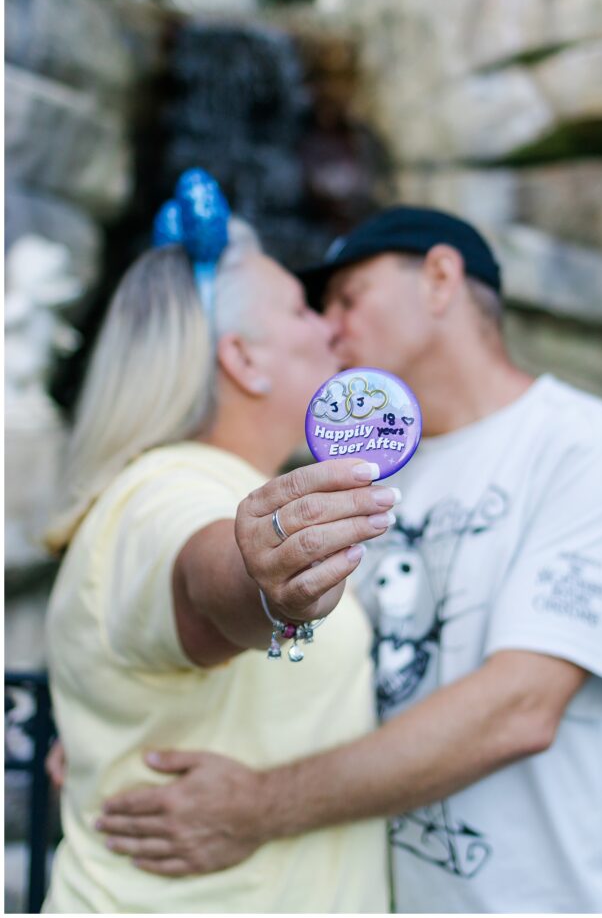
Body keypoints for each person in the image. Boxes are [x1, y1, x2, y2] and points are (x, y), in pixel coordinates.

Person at [97, 206, 602, 914]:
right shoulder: (357, 472)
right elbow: (296, 648)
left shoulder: (585, 447)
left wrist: (259, 807)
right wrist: (119, 727)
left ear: (439, 278)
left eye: (349, 297)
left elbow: (520, 708)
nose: (330, 326)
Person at [41, 171, 396, 914]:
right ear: (242, 359)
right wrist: (266, 577)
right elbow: (211, 575)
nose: (331, 328)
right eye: (302, 309)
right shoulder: (163, 494)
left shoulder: (167, 485)